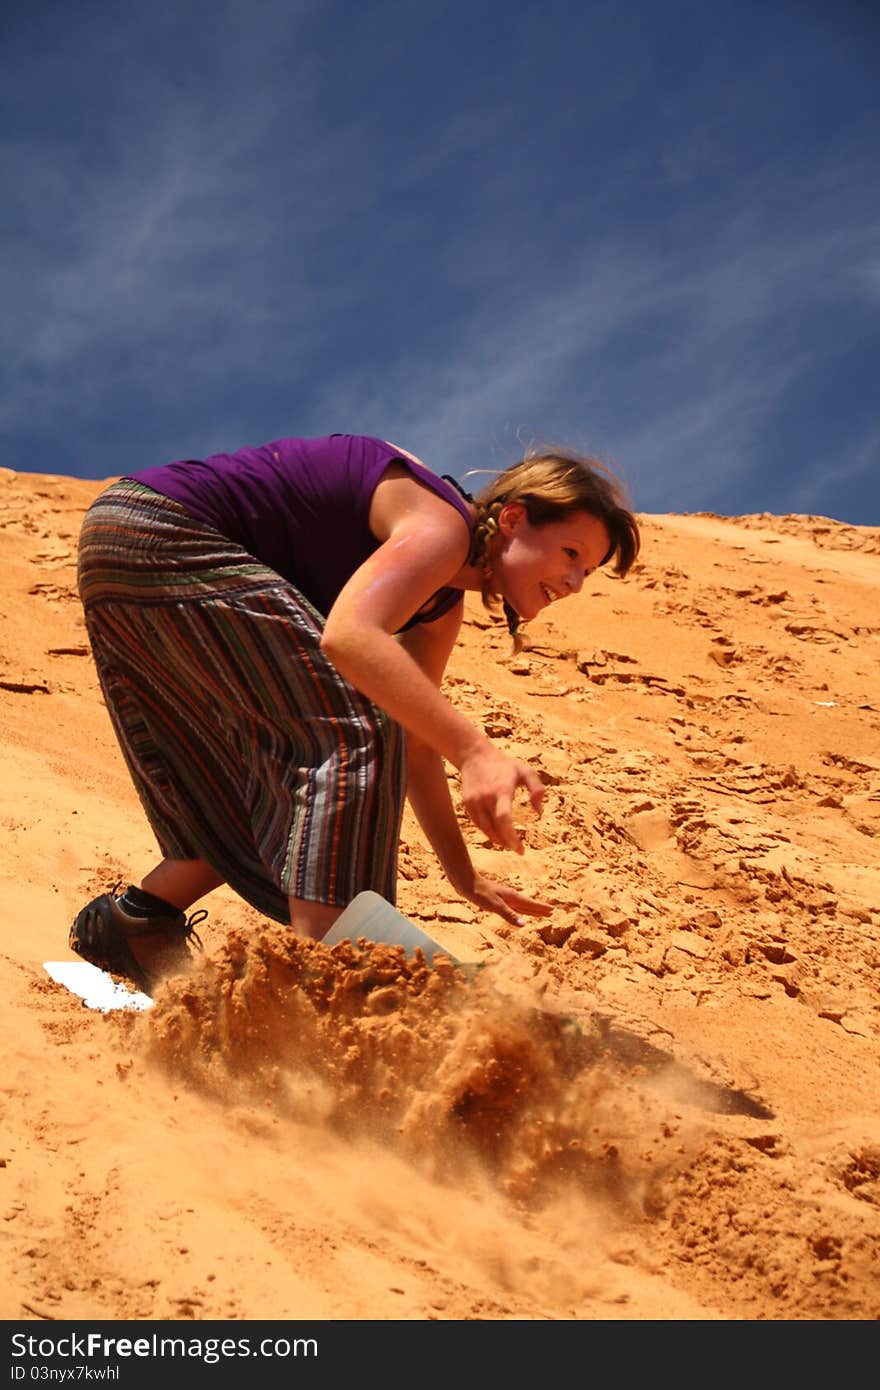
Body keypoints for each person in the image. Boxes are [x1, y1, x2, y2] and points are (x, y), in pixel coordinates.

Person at [70, 433, 640, 993]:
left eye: (586, 572)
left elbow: (415, 743)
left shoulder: (439, 603)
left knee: (276, 793)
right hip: (164, 533)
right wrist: (474, 750)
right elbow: (349, 637)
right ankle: (339, 963)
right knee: (350, 728)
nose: (573, 582)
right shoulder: (442, 527)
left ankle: (136, 924)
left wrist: (463, 875)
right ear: (513, 520)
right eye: (571, 554)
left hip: (125, 553)